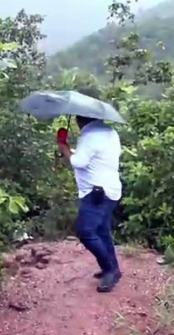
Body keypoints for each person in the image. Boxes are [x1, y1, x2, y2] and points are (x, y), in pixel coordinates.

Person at [57, 115, 123, 293]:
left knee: (86, 232)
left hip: (96, 193)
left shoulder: (90, 136)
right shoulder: (109, 131)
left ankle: (109, 269)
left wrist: (64, 147)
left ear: (80, 119)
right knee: (102, 231)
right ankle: (113, 268)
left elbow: (78, 162)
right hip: (111, 189)